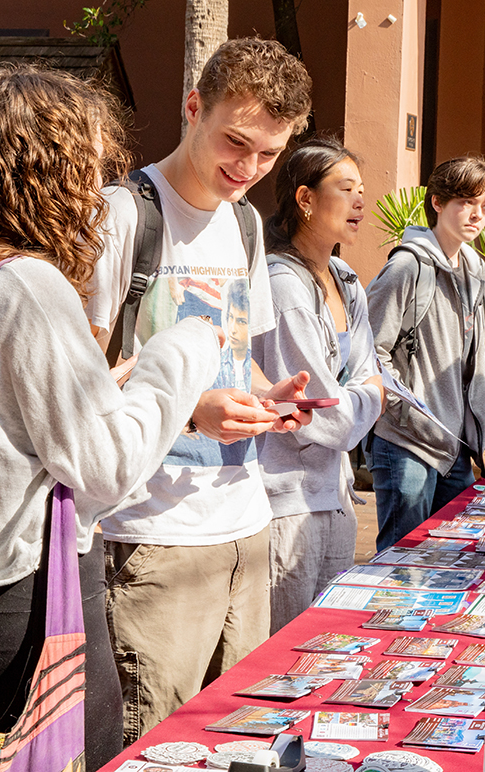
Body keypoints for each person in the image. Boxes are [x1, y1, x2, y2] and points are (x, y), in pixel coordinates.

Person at [0, 64, 226, 768]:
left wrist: (99, 389)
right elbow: (105, 466)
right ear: (51, 169)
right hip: (27, 599)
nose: (97, 193)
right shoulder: (30, 285)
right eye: (90, 167)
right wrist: (183, 350)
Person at [85, 37, 314, 742]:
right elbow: (82, 386)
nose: (248, 169)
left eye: (269, 155)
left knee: (235, 742)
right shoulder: (122, 215)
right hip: (149, 536)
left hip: (244, 526)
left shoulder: (245, 223)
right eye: (235, 142)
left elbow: (234, 361)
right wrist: (189, 413)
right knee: (150, 742)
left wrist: (269, 396)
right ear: (193, 108)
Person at [253, 139, 386, 631]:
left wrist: (364, 394)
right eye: (346, 189)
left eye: (362, 191)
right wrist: (371, 396)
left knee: (323, 647)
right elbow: (330, 415)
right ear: (305, 199)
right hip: (288, 506)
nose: (359, 202)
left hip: (336, 497)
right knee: (283, 655)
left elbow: (369, 370)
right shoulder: (284, 284)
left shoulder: (346, 278)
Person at [366, 156, 485, 551]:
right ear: (438, 203)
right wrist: (407, 413)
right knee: (401, 564)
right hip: (408, 443)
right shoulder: (407, 267)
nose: (477, 215)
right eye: (466, 202)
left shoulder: (475, 269)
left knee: (450, 559)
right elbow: (369, 351)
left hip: (454, 447)